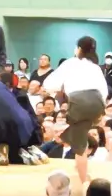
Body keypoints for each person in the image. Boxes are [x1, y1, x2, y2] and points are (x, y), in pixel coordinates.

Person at [43, 36, 108, 184]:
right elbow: (104, 91)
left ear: (79, 49)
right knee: (78, 135)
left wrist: (59, 90)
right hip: (98, 103)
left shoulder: (70, 63)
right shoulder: (96, 66)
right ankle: (78, 164)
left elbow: (49, 84)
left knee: (80, 146)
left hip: (79, 102)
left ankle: (84, 182)